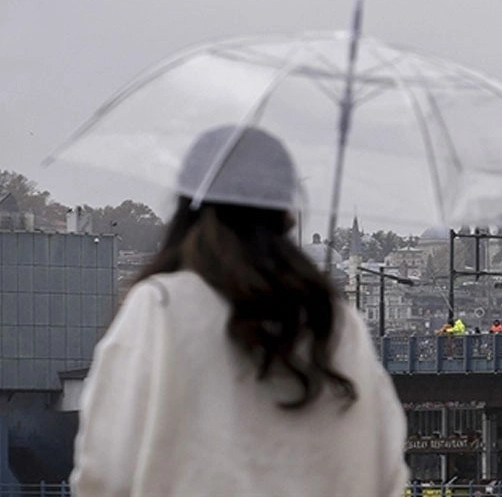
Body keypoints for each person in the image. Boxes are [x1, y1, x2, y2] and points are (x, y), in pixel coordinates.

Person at [71, 125, 408, 496]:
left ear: (188, 208)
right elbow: (386, 472)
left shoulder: (160, 308)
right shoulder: (338, 324)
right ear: (285, 215)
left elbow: (105, 468)